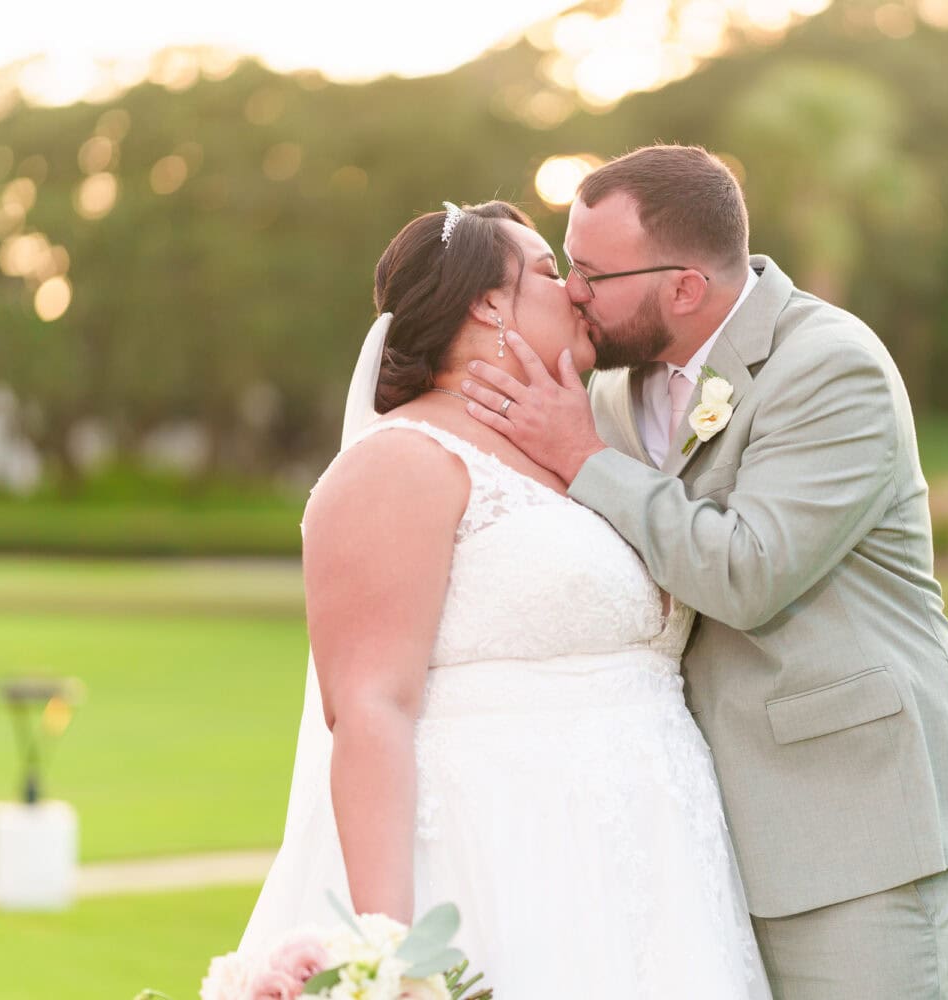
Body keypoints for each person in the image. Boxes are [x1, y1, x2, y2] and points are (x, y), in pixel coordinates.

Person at [463, 145, 948, 999]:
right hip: (686, 842)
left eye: (594, 273)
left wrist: (581, 456)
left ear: (683, 286)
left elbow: (750, 572)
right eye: (569, 264)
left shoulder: (830, 366)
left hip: (849, 827)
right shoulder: (605, 392)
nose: (572, 290)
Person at [240, 199, 773, 999]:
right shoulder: (400, 461)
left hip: (660, 874)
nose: (582, 292)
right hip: (507, 864)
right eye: (555, 273)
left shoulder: (586, 451)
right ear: (488, 302)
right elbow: (371, 707)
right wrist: (391, 957)